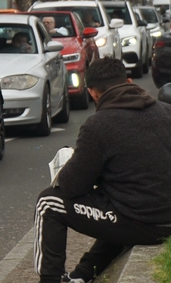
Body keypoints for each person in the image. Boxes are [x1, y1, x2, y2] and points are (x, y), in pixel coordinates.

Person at [33, 56, 171, 283]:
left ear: (92, 93)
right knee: (115, 204)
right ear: (128, 81)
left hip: (144, 224)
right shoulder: (166, 112)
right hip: (162, 217)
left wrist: (75, 159)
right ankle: (82, 276)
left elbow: (71, 186)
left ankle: (51, 279)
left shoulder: (99, 124)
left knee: (48, 203)